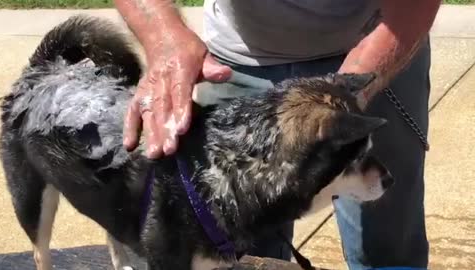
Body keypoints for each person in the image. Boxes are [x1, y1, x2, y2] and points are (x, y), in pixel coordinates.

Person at [114, 0, 442, 269]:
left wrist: (353, 86)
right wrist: (162, 33)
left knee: (387, 252)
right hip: (235, 63)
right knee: (238, 256)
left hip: (375, 47)